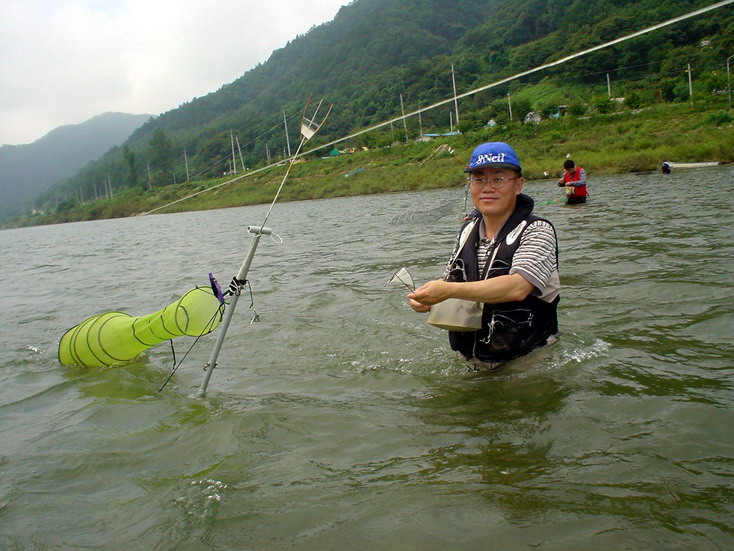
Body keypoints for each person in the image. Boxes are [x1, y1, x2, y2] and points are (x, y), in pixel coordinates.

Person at [408, 142, 560, 369]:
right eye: (478, 179)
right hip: (474, 359)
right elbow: (452, 281)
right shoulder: (468, 230)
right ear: (470, 185)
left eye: (498, 179)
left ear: (518, 185)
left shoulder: (538, 230)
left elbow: (518, 287)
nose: (487, 187)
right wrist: (429, 298)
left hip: (529, 361)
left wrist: (447, 290)